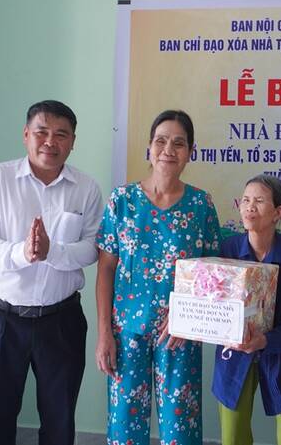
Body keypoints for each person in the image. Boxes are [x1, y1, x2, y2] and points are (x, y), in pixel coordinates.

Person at [0, 100, 103, 445]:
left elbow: (92, 249)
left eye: (61, 135)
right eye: (41, 132)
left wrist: (51, 251)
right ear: (26, 135)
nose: (50, 142)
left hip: (62, 319)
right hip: (3, 318)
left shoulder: (86, 189)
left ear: (72, 141)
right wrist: (21, 253)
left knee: (59, 422)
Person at [95, 109, 221, 445]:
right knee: (124, 427)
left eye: (179, 143)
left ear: (190, 153)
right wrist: (104, 332)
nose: (169, 149)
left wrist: (185, 315)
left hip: (180, 331)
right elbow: (106, 268)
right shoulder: (122, 201)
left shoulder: (201, 205)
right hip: (126, 332)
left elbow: (211, 273)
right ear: (149, 148)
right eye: (161, 141)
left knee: (180, 430)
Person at [213, 174, 281, 445]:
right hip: (233, 355)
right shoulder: (228, 249)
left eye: (258, 201)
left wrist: (266, 340)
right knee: (233, 436)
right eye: (245, 200)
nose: (249, 207)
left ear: (278, 212)